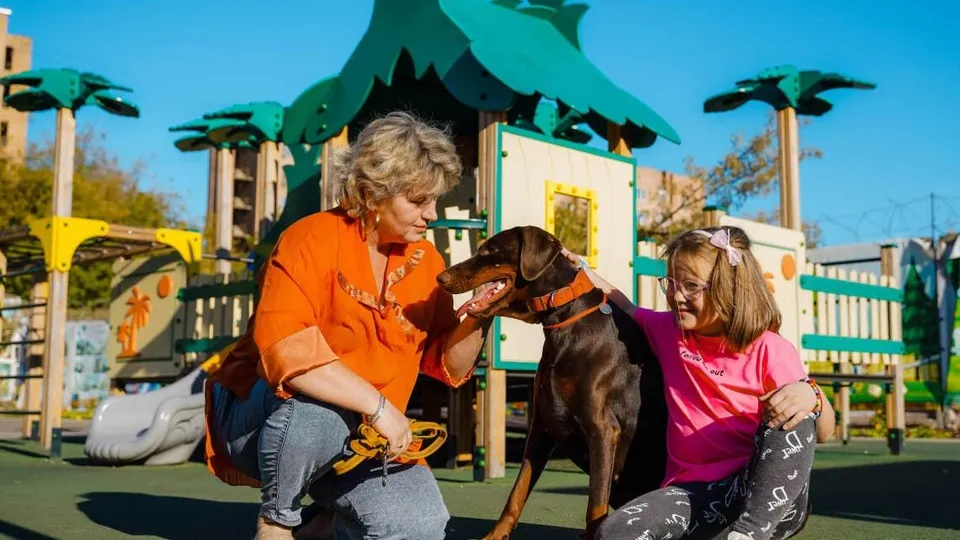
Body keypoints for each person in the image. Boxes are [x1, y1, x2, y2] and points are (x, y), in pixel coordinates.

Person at [202, 111, 491, 540]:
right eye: (418, 200)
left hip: (363, 435)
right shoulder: (311, 238)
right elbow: (286, 353)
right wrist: (379, 408)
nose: (432, 213)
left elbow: (445, 365)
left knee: (420, 527)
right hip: (260, 419)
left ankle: (327, 520)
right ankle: (278, 520)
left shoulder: (427, 261)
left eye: (435, 199)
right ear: (374, 193)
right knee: (319, 409)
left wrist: (483, 313)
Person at [565, 226, 836, 540]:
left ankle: (748, 534)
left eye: (691, 286)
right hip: (696, 495)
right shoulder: (670, 333)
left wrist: (812, 394)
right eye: (671, 283)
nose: (676, 295)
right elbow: (624, 306)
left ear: (728, 287)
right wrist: (581, 269)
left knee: (792, 410)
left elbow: (822, 431)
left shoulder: (769, 349)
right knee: (614, 532)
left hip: (768, 495)